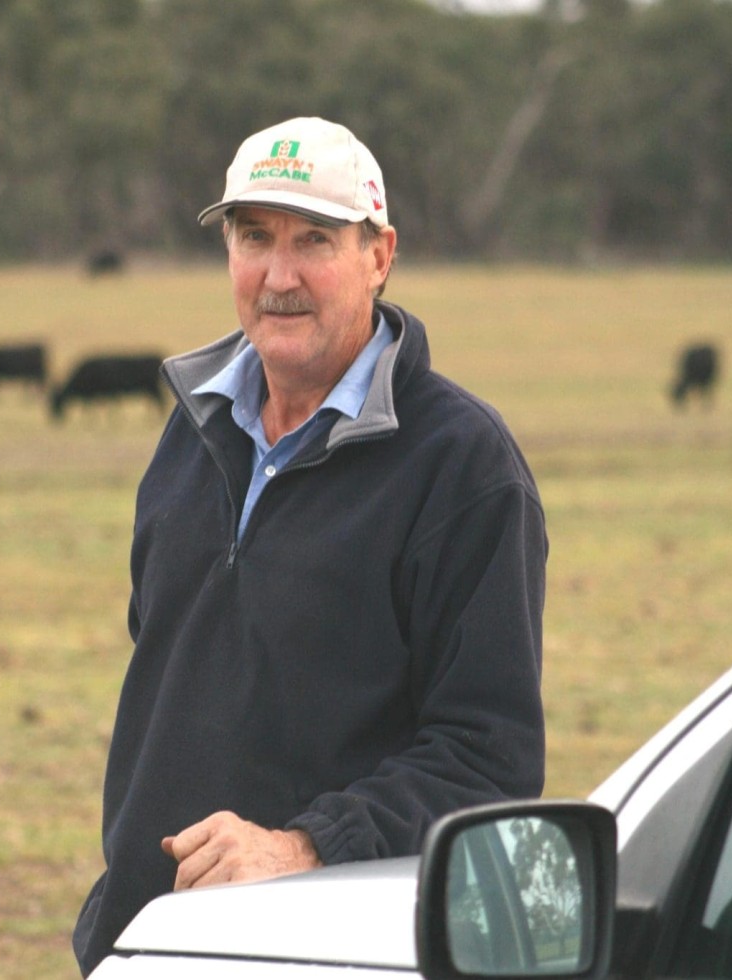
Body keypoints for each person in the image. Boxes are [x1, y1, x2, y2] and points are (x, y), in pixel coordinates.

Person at [73, 116, 547, 976]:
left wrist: (302, 848)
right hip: (148, 944)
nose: (278, 275)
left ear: (380, 255)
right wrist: (112, 917)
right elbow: (163, 677)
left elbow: (490, 759)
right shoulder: (191, 430)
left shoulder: (462, 465)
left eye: (314, 241)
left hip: (328, 948)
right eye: (254, 237)